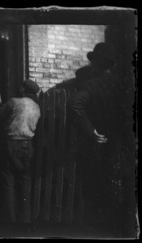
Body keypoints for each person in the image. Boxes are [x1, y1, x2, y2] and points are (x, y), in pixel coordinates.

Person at [68, 42, 135, 236]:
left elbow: (74, 105)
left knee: (98, 188)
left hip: (101, 143)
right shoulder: (125, 85)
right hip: (124, 145)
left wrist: (90, 131)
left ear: (96, 64)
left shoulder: (92, 84)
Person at [0, 79, 41, 223]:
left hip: (11, 145)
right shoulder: (37, 106)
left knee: (8, 181)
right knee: (24, 183)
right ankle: (25, 221)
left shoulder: (14, 102)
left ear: (23, 89)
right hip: (28, 146)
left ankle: (9, 222)